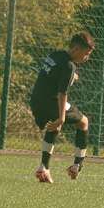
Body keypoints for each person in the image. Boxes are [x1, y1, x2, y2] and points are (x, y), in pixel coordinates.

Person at [30, 31, 95, 183]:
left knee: (54, 127)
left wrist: (72, 76)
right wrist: (62, 117)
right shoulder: (69, 65)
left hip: (36, 100)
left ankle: (43, 167)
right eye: (86, 54)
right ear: (76, 50)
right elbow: (62, 93)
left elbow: (53, 75)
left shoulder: (55, 55)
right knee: (83, 122)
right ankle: (77, 165)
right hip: (52, 101)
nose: (87, 58)